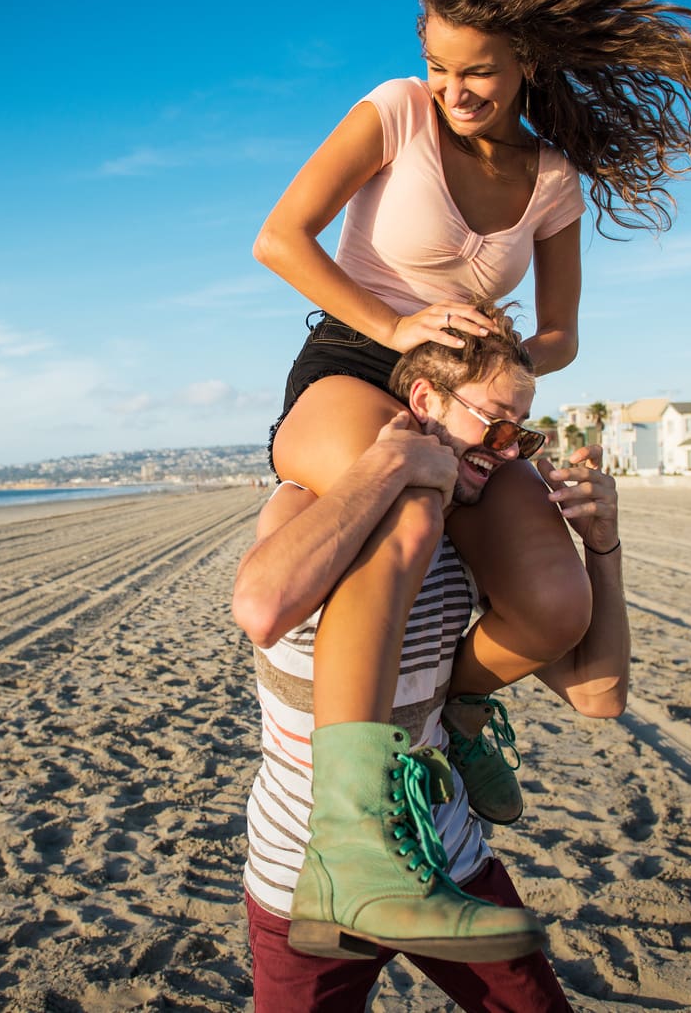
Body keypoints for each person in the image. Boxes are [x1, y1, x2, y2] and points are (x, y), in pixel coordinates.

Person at [252, 0, 691, 956]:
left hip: (472, 395)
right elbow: (279, 239)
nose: (455, 88)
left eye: (479, 71)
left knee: (552, 599)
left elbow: (566, 335)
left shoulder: (549, 179)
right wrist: (398, 323)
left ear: (525, 60)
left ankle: (464, 711)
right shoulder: (394, 115)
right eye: (439, 65)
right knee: (398, 505)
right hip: (356, 366)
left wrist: (506, 354)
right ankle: (350, 846)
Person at [232, 304, 630, 1006]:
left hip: (444, 861)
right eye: (498, 427)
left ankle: (464, 715)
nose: (509, 454)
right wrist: (385, 466)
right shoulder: (311, 505)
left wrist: (602, 548)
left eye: (524, 438)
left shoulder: (475, 547)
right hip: (306, 877)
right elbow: (261, 608)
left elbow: (599, 697)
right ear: (423, 401)